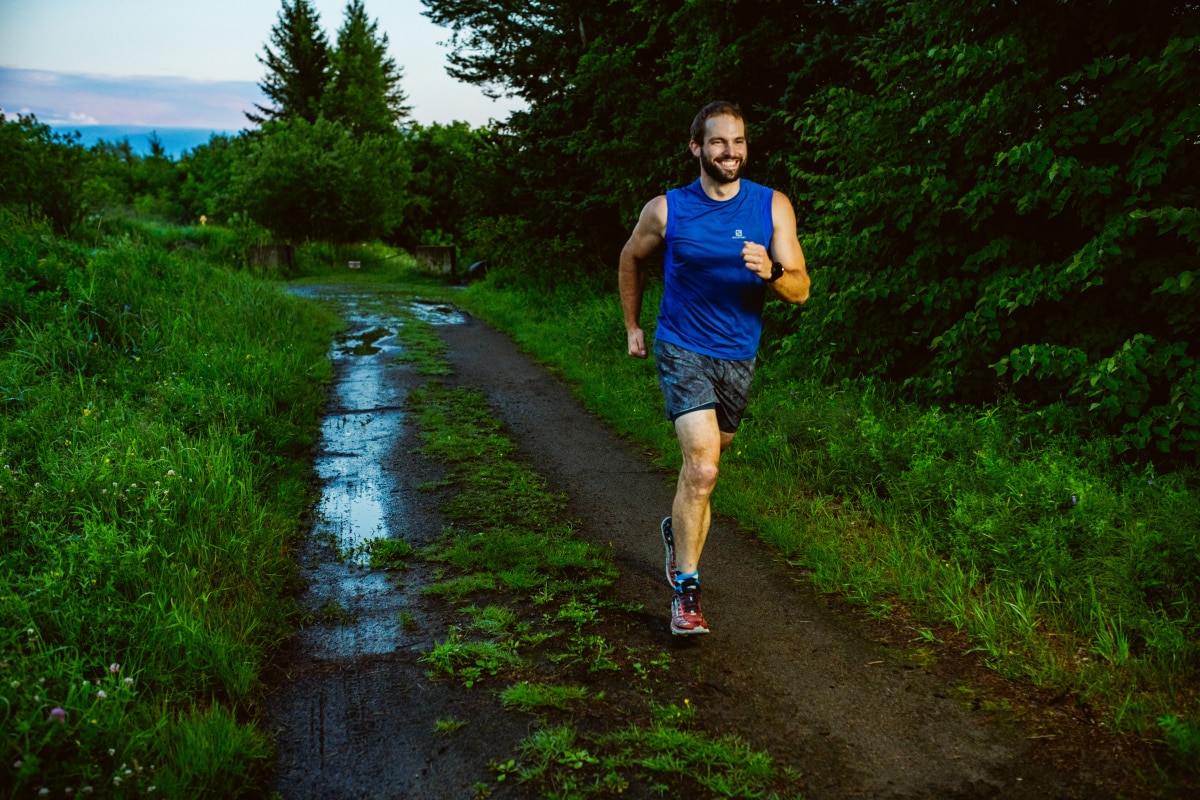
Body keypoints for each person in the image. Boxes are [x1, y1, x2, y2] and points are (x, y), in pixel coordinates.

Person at [619, 100, 811, 635]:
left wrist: (771, 271)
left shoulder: (772, 206)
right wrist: (633, 325)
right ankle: (687, 591)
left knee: (705, 468)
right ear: (697, 148)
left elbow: (800, 289)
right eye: (720, 142)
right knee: (702, 469)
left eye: (739, 142)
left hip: (738, 355)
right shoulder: (666, 209)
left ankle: (676, 531)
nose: (731, 152)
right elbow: (630, 257)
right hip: (680, 345)